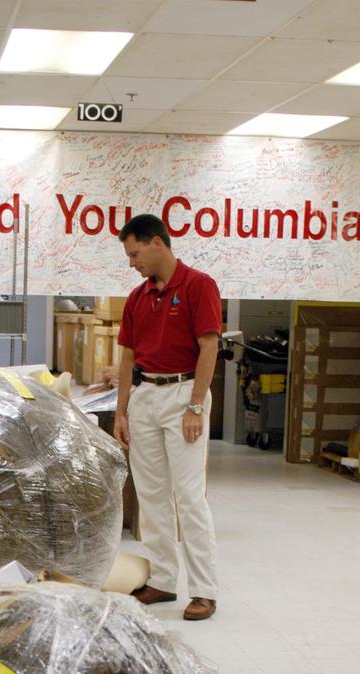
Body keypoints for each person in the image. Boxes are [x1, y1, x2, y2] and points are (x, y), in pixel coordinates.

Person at [113, 214, 221, 621]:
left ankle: (205, 590)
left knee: (189, 497)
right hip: (145, 397)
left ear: (157, 244)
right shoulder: (138, 297)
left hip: (183, 395)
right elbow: (127, 355)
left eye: (135, 253)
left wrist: (195, 405)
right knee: (152, 495)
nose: (132, 262)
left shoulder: (198, 286)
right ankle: (162, 579)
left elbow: (209, 348)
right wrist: (122, 411)